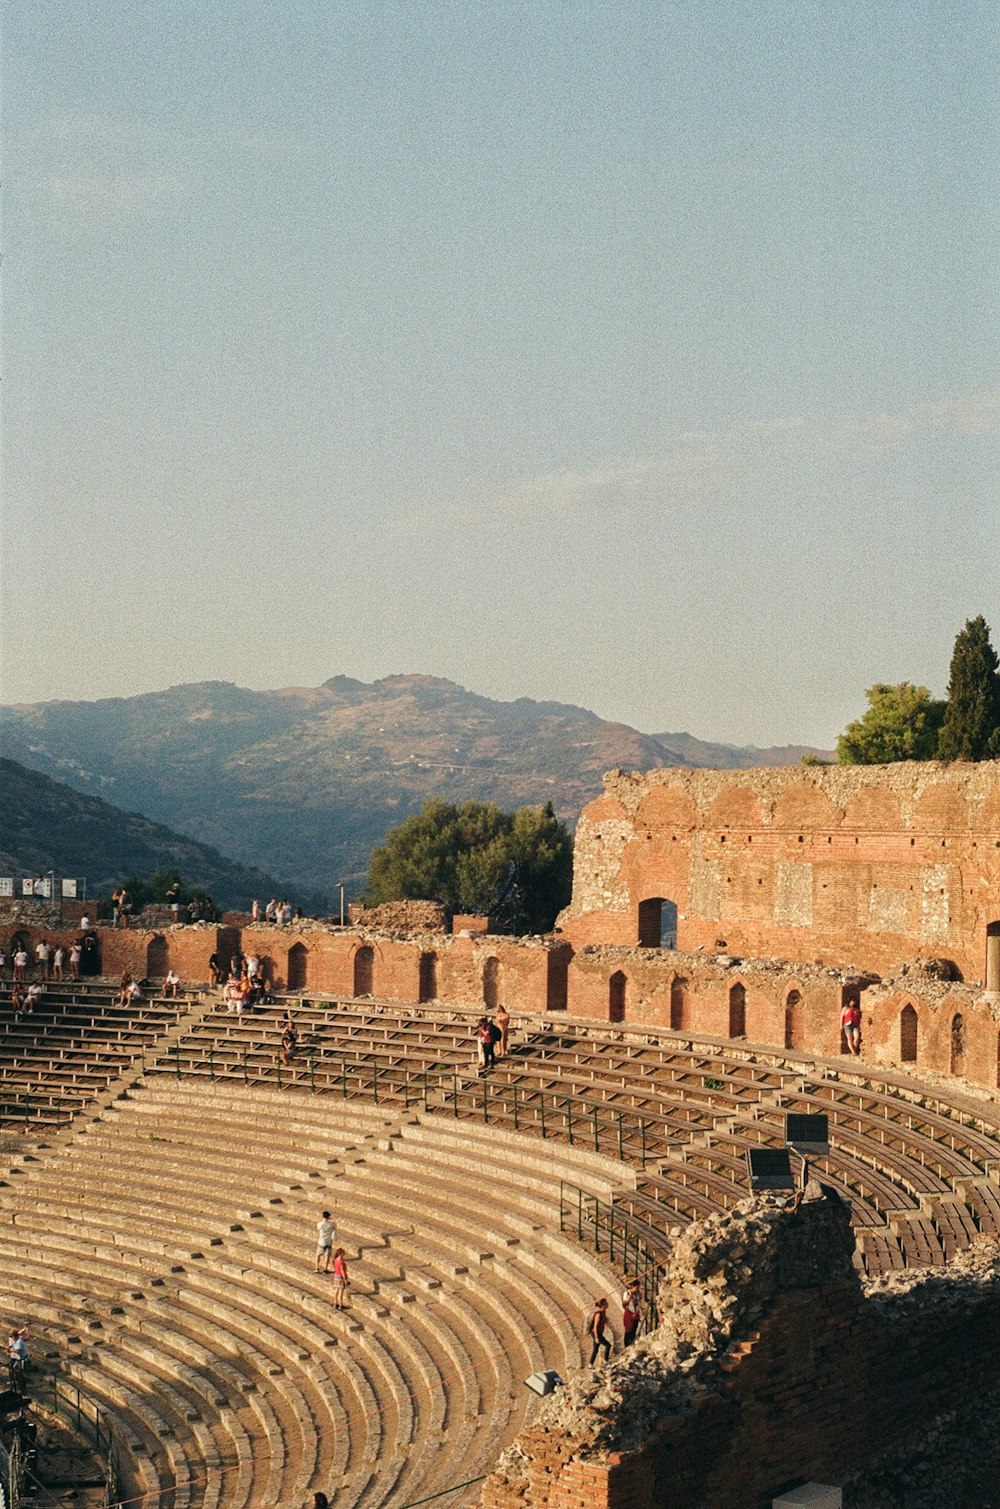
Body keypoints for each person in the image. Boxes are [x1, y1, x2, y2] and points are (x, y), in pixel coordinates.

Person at [589, 1297, 611, 1366]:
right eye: (606, 1303)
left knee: (595, 1349)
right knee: (608, 1345)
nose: (607, 1304)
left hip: (599, 1332)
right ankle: (605, 1361)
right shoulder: (598, 1314)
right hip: (596, 1333)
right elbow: (595, 1326)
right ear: (603, 1305)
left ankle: (590, 1364)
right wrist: (596, 1337)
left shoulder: (603, 1312)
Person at [621, 1279, 641, 1347]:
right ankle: (626, 1346)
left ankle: (631, 1344)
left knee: (634, 1330)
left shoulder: (637, 1293)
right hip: (629, 1314)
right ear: (633, 1287)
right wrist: (628, 1299)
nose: (638, 1289)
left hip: (636, 1314)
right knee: (628, 1331)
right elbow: (624, 1305)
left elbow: (638, 1303)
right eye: (637, 1287)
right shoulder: (627, 1293)